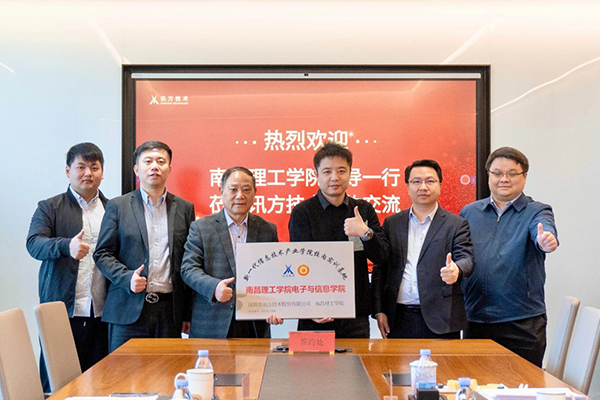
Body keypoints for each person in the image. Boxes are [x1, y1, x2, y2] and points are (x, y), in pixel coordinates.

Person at [460, 147, 558, 367]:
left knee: (523, 384)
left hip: (521, 322)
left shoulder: (537, 211)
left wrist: (546, 239)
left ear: (524, 176)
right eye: (497, 173)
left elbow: (544, 229)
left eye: (512, 173)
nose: (504, 179)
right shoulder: (469, 212)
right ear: (488, 176)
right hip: (476, 318)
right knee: (475, 383)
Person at [94, 141, 195, 352]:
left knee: (167, 370)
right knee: (123, 372)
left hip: (169, 313)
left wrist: (187, 312)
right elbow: (102, 254)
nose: (154, 166)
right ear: (136, 169)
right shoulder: (118, 206)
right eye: (147, 161)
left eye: (161, 161)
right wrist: (126, 277)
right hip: (127, 310)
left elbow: (188, 261)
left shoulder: (185, 208)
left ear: (169, 168)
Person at [26, 142, 109, 391]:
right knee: (58, 384)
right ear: (68, 171)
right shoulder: (50, 207)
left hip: (102, 313)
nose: (88, 173)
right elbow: (34, 244)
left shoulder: (112, 209)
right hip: (62, 311)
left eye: (94, 167)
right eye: (80, 167)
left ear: (102, 172)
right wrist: (65, 246)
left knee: (100, 383)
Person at [288, 142, 387, 338]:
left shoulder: (363, 210)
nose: (334, 177)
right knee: (312, 360)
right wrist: (309, 308)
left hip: (355, 314)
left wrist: (365, 233)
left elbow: (381, 257)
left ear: (350, 173)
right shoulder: (303, 212)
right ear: (316, 175)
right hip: (316, 315)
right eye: (327, 172)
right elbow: (299, 264)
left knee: (356, 359)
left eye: (341, 171)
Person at [371, 159, 474, 339]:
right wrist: (379, 310)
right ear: (408, 186)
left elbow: (467, 258)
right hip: (398, 317)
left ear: (440, 186)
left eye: (430, 181)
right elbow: (381, 268)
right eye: (416, 181)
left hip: (441, 319)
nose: (423, 187)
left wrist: (456, 269)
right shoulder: (392, 223)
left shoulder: (456, 224)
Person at [181, 166, 282, 338]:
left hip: (254, 323)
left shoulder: (267, 229)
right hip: (212, 320)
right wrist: (214, 287)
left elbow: (275, 273)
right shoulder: (201, 227)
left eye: (246, 190)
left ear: (255, 193)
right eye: (233, 189)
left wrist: (276, 306)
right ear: (221, 191)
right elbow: (188, 269)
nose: (240, 195)